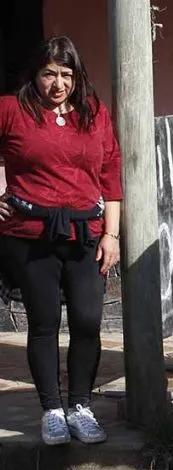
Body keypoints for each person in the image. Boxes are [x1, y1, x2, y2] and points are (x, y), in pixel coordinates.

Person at [0, 36, 121, 446]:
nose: (58, 83)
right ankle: (52, 409)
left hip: (86, 233)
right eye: (49, 73)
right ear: (34, 74)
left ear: (77, 75)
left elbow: (111, 174)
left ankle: (80, 406)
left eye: (66, 74)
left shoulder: (93, 113)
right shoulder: (11, 110)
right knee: (45, 322)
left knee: (88, 322)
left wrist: (112, 233)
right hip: (30, 236)